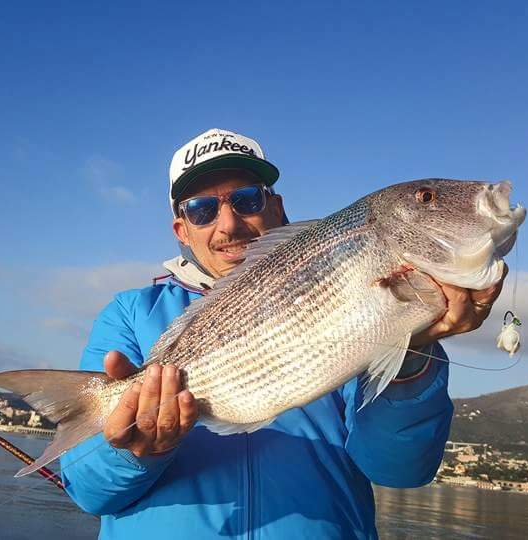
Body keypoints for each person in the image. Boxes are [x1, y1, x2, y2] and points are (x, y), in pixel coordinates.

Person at [60, 128, 504, 538]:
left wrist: (411, 354)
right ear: (182, 230)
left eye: (247, 199)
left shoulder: (354, 295)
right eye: (202, 209)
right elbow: (89, 491)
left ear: (277, 207)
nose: (228, 224)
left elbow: (399, 470)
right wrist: (135, 452)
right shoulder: (130, 314)